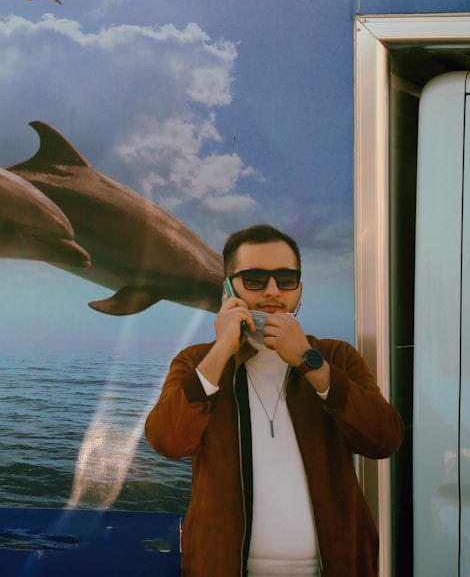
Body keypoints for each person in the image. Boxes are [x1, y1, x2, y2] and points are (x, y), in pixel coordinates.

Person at [145, 224, 403, 577]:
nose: (272, 292)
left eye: (286, 279)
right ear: (227, 288)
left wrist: (309, 362)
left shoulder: (336, 357)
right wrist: (222, 349)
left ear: (299, 288)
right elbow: (167, 441)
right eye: (253, 279)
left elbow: (384, 439)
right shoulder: (196, 361)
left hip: (336, 566)